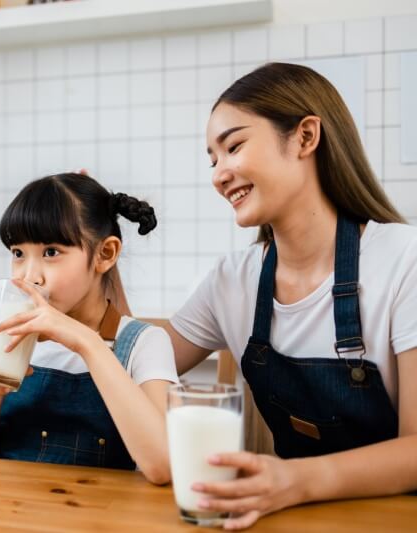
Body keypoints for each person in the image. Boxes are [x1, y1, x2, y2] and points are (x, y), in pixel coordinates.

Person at [166, 62, 417, 529]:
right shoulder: (232, 279)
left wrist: (295, 481)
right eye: (212, 159)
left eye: (233, 146)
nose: (220, 174)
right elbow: (148, 352)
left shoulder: (405, 260)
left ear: (305, 137)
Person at [0, 173, 177, 483]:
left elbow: (165, 466)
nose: (30, 276)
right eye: (18, 253)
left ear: (105, 254)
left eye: (51, 252)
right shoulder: (13, 339)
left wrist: (87, 342)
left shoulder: (144, 343)